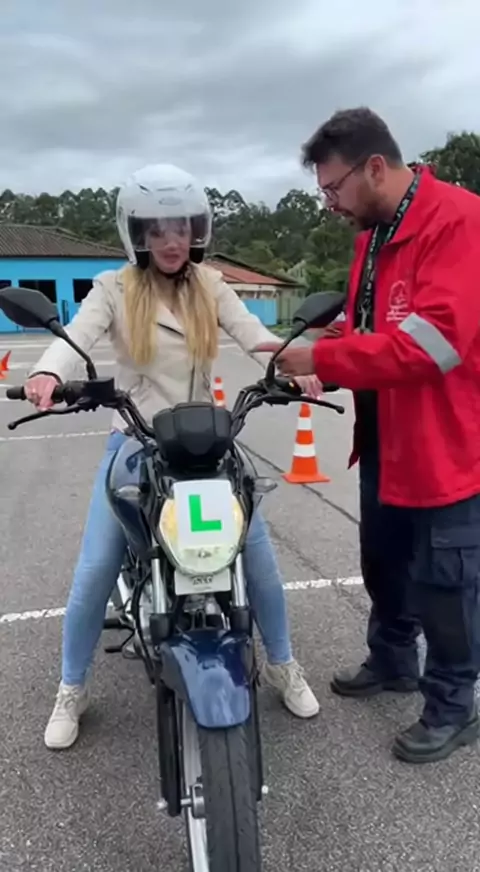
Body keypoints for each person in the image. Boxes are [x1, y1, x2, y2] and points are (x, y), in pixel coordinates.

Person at [25, 163, 321, 751]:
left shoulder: (210, 285)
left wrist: (298, 361)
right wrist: (48, 372)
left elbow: (253, 335)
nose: (171, 240)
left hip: (205, 440)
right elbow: (75, 338)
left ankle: (283, 663)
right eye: (157, 229)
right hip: (137, 439)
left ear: (197, 230)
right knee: (96, 567)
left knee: (257, 556)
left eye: (181, 227)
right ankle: (72, 686)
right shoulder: (113, 288)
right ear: (136, 233)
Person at [253, 107, 480, 764]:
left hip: (446, 443)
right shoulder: (373, 237)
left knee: (446, 582)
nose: (329, 203)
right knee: (384, 560)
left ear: (374, 167)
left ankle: (453, 705)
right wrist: (319, 358)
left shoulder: (459, 222)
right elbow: (369, 330)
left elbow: (432, 345)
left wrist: (324, 358)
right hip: (386, 434)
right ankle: (392, 659)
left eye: (333, 188)